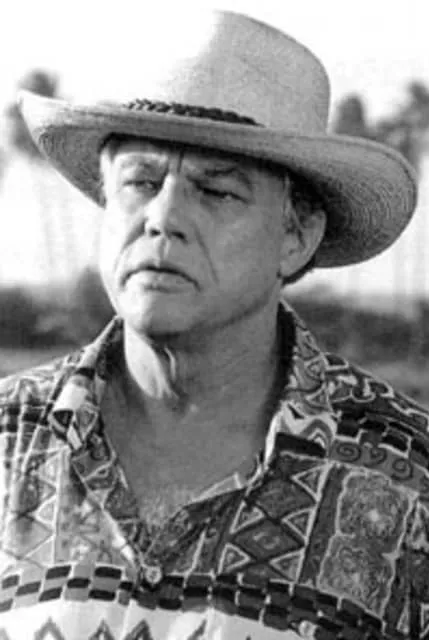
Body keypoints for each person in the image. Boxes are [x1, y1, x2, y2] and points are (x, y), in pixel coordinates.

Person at [0, 10, 427, 640]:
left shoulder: (407, 476)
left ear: (296, 235)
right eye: (141, 181)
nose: (163, 218)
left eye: (217, 191)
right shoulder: (9, 440)